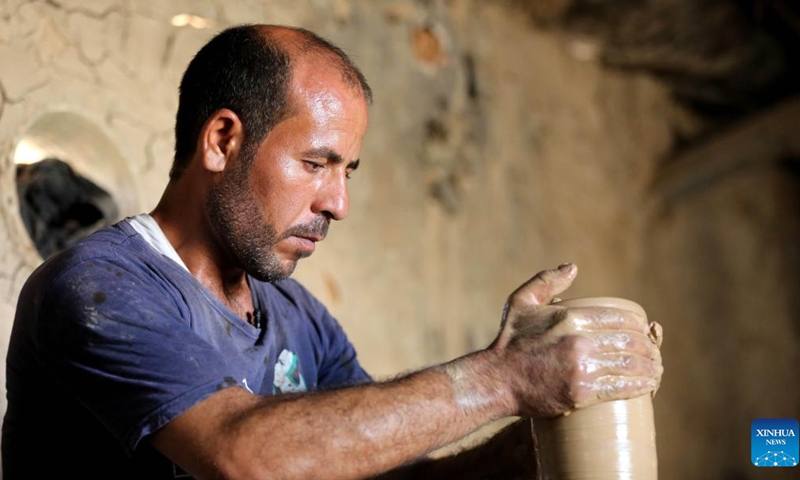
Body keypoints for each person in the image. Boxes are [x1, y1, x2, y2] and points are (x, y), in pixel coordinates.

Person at [2, 24, 663, 480]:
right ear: (223, 142)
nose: (337, 203)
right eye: (317, 163)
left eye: (349, 171)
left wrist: (538, 435)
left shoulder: (298, 318)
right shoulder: (100, 290)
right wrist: (502, 377)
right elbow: (242, 459)